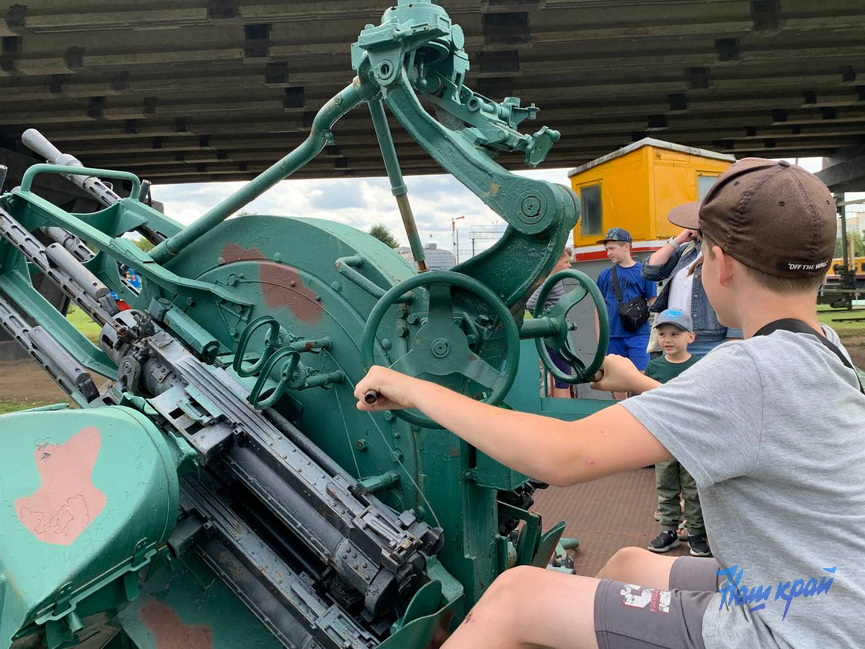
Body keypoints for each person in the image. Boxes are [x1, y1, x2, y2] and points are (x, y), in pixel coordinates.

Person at [355, 158, 865, 649]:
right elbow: (746, 427)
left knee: (515, 598)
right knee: (628, 565)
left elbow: (565, 456)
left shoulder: (747, 370)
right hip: (821, 588)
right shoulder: (820, 349)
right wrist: (639, 383)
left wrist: (414, 388)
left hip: (792, 628)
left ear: (720, 263)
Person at [642, 309, 709, 558]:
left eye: (675, 334)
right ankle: (668, 530)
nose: (667, 339)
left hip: (691, 439)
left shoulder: (699, 366)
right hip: (664, 438)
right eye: (662, 334)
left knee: (693, 489)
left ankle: (695, 533)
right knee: (666, 486)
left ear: (690, 337)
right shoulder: (655, 368)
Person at [643, 211, 741, 355]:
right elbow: (649, 271)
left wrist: (734, 339)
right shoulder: (686, 251)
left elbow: (734, 293)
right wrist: (678, 240)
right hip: (675, 336)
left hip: (709, 342)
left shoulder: (723, 253)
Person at [595, 228, 657, 397]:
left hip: (638, 333)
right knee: (617, 381)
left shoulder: (643, 272)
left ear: (626, 247)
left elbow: (654, 302)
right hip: (613, 336)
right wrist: (600, 336)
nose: (608, 253)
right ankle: (619, 411)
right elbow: (598, 307)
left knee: (641, 377)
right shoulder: (604, 275)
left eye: (612, 248)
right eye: (607, 249)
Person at [526, 245, 575, 397]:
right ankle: (563, 414)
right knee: (563, 380)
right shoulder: (550, 281)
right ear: (555, 263)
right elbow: (532, 303)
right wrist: (548, 320)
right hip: (555, 336)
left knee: (564, 378)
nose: (569, 265)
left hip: (559, 334)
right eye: (566, 262)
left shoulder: (553, 280)